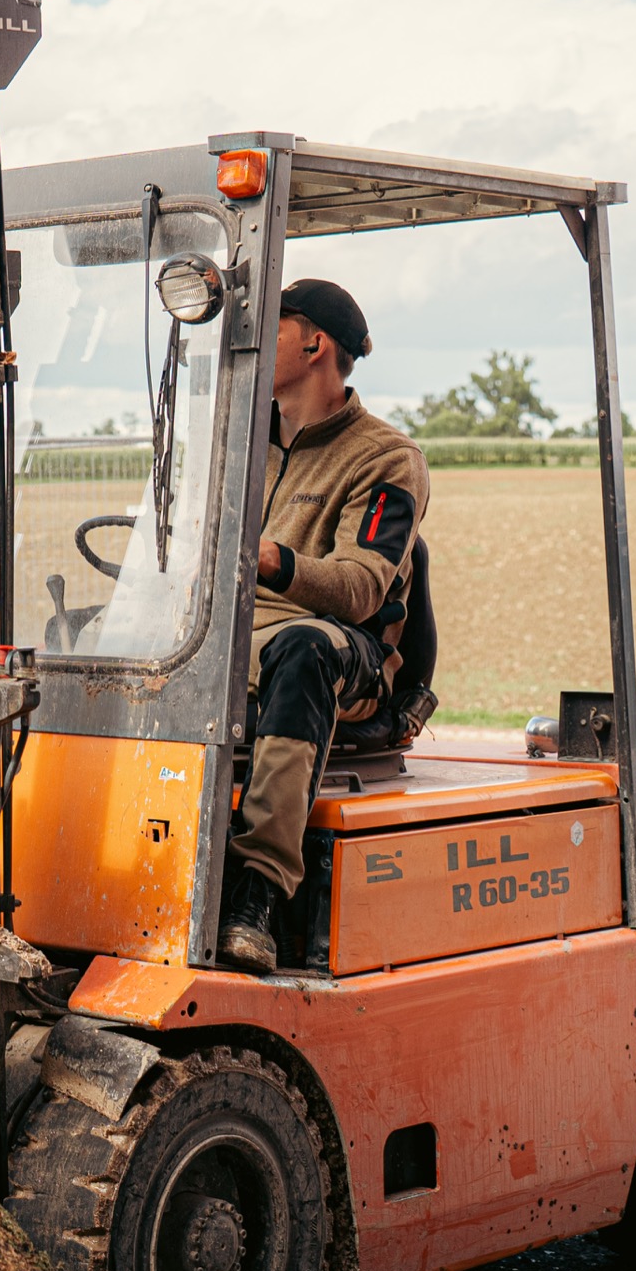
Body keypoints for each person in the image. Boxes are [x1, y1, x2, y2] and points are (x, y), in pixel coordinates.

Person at [217, 279, 429, 973]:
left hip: (346, 650)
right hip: (231, 640)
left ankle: (261, 892)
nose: (251, 342)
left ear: (315, 343)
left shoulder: (385, 458)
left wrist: (278, 561)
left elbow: (363, 586)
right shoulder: (244, 443)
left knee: (301, 650)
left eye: (271, 326)